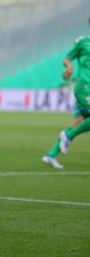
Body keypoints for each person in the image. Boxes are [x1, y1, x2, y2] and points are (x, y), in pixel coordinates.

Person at [42, 25, 90, 169]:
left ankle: (51, 154)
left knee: (78, 122)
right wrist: (69, 67)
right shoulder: (83, 41)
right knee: (78, 125)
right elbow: (67, 58)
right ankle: (67, 136)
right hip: (84, 87)